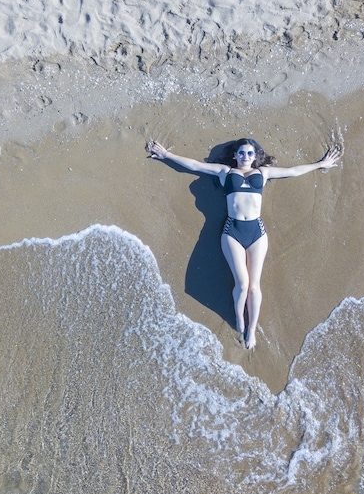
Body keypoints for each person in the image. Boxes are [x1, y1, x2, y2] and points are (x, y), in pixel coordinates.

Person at [146, 137, 342, 349]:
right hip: (232, 231)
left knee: (254, 286)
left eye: (250, 153)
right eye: (241, 153)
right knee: (243, 284)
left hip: (257, 232)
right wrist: (166, 155)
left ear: (255, 156)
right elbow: (195, 165)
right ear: (235, 155)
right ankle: (240, 317)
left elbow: (293, 171)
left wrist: (321, 164)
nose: (245, 157)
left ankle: (251, 330)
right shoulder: (225, 172)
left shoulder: (263, 173)